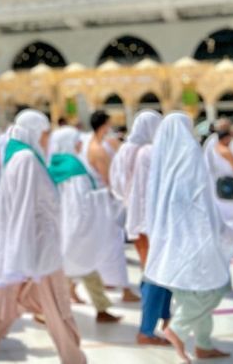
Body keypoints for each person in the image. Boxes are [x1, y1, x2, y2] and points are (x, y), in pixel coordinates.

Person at [0, 110, 85, 364]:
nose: (46, 138)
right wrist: (25, 259)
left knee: (5, 313)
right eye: (44, 132)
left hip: (26, 251)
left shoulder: (20, 157)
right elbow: (23, 211)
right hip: (38, 251)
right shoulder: (27, 159)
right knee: (58, 309)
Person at [145, 113, 233, 362]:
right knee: (217, 286)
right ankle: (177, 329)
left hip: (172, 240)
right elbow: (200, 200)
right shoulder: (189, 154)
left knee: (192, 292)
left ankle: (203, 345)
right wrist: (217, 230)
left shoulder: (163, 158)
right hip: (195, 238)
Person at [48, 126, 121, 323]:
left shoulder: (53, 164)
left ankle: (102, 309)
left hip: (61, 229)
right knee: (75, 267)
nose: (81, 145)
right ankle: (48, 313)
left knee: (81, 268)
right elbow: (80, 203)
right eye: (77, 142)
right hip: (76, 229)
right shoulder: (73, 167)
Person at [115, 111, 172, 346]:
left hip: (137, 218)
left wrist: (128, 203)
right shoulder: (149, 152)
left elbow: (118, 184)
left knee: (155, 271)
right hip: (150, 221)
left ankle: (165, 317)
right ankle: (146, 330)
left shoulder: (125, 150)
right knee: (155, 274)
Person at [83, 110, 138, 302]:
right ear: (103, 125)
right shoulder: (97, 148)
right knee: (114, 244)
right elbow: (107, 178)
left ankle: (111, 281)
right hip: (105, 201)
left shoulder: (97, 144)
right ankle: (124, 289)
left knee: (108, 244)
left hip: (103, 201)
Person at [110, 110, 163, 268]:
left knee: (142, 249)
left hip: (131, 205)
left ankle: (147, 282)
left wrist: (126, 196)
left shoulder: (124, 149)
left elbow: (116, 178)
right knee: (155, 253)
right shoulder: (153, 151)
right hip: (153, 206)